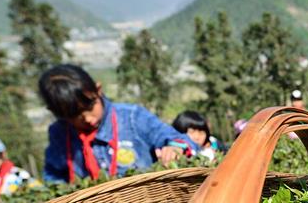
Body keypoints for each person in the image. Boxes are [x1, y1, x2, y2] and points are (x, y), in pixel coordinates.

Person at [39, 64, 196, 183]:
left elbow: (178, 139)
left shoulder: (132, 117)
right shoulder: (60, 133)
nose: (87, 119)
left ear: (98, 90)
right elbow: (53, 175)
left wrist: (175, 148)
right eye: (75, 116)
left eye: (89, 107)